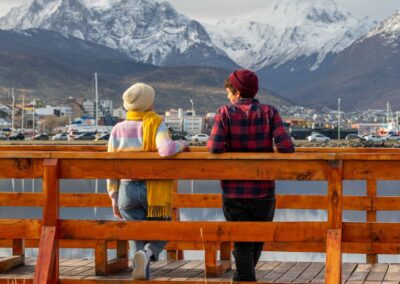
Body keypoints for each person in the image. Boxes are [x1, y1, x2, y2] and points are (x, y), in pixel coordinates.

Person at [207, 69, 294, 282]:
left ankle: (244, 278)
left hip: (233, 190)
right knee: (257, 238)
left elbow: (214, 148)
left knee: (242, 240)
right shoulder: (269, 112)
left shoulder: (224, 113)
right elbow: (286, 147)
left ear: (236, 92)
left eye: (228, 92)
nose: (227, 96)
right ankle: (244, 277)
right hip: (264, 189)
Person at [107, 82, 189, 280]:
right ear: (148, 103)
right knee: (164, 229)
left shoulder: (117, 129)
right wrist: (183, 143)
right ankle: (148, 254)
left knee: (136, 235)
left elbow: (109, 166)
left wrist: (113, 196)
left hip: (126, 189)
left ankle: (140, 269)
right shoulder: (154, 123)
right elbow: (167, 149)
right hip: (152, 190)